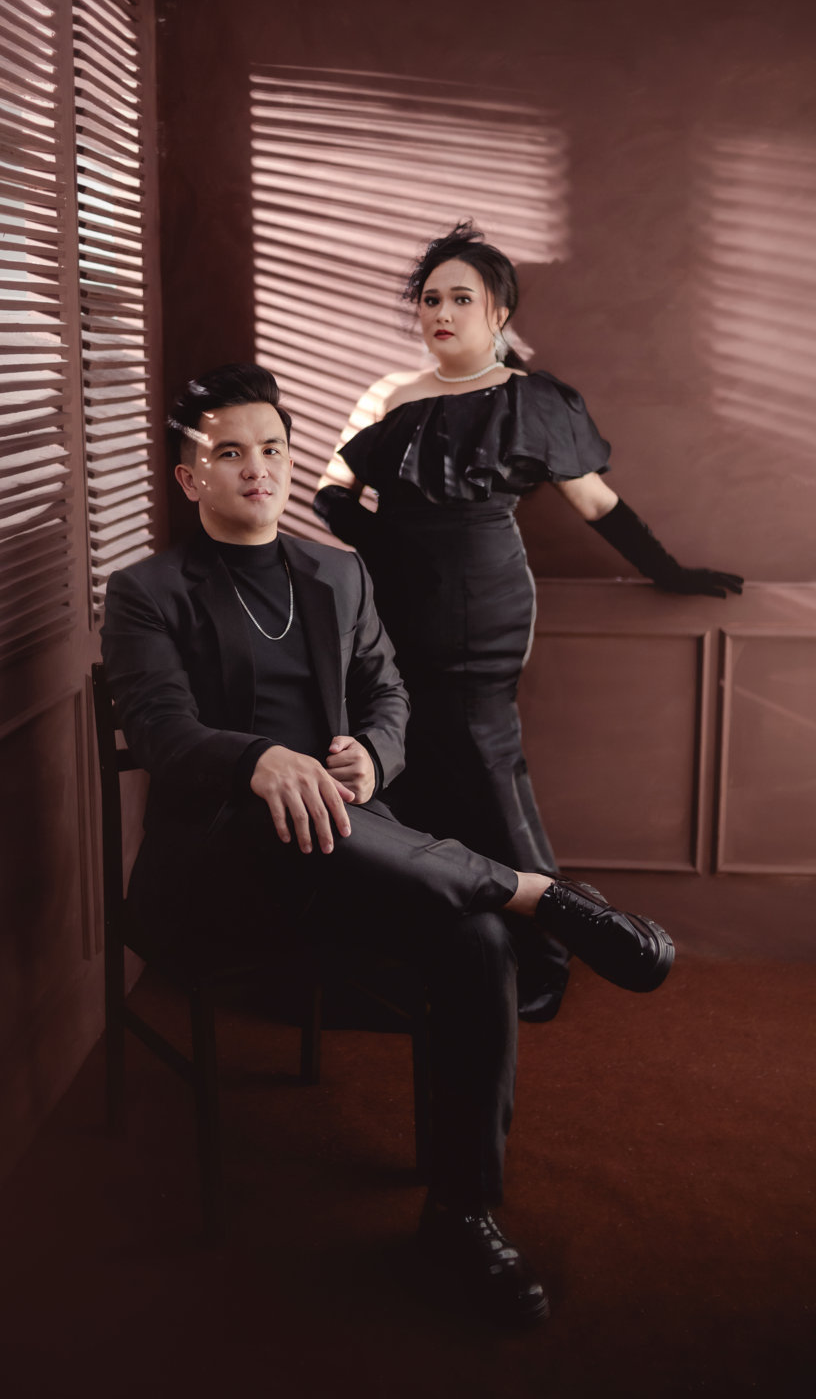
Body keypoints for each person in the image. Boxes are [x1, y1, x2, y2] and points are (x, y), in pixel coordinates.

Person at [102, 361, 675, 1328]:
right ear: (190, 476)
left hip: (350, 859)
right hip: (220, 873)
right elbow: (162, 730)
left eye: (272, 449)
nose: (258, 469)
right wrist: (258, 760)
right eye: (230, 454)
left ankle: (461, 1216)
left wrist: (374, 752)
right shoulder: (146, 592)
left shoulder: (339, 573)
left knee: (476, 940)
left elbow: (390, 696)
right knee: (286, 811)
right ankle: (538, 893)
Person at [314, 224, 741, 1022]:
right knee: (409, 766)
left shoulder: (532, 398)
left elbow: (596, 504)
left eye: (461, 298)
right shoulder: (388, 393)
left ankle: (550, 954)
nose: (442, 313)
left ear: (499, 311)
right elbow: (332, 493)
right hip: (393, 600)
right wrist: (390, 546)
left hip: (484, 604)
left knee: (486, 765)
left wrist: (671, 572)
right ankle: (448, 947)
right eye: (430, 299)